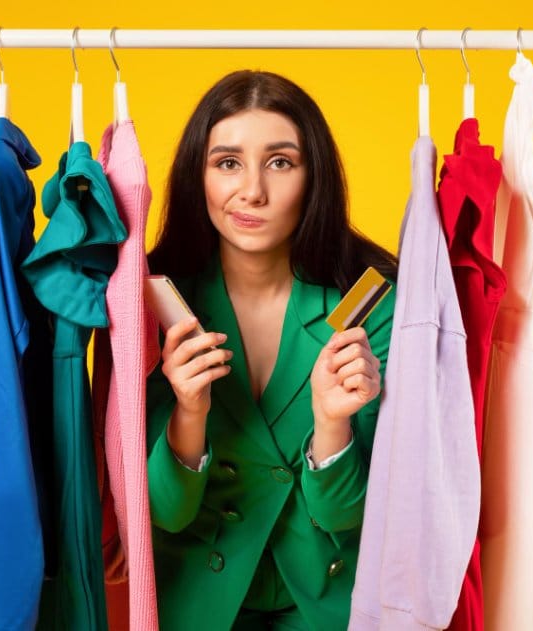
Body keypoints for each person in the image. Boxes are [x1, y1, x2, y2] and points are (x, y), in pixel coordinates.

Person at [145, 69, 398, 631]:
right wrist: (190, 411)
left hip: (332, 609)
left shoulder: (369, 304)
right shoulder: (155, 299)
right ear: (198, 177)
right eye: (227, 163)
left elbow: (351, 513)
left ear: (315, 178)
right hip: (195, 608)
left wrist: (331, 423)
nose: (252, 191)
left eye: (280, 162)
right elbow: (163, 513)